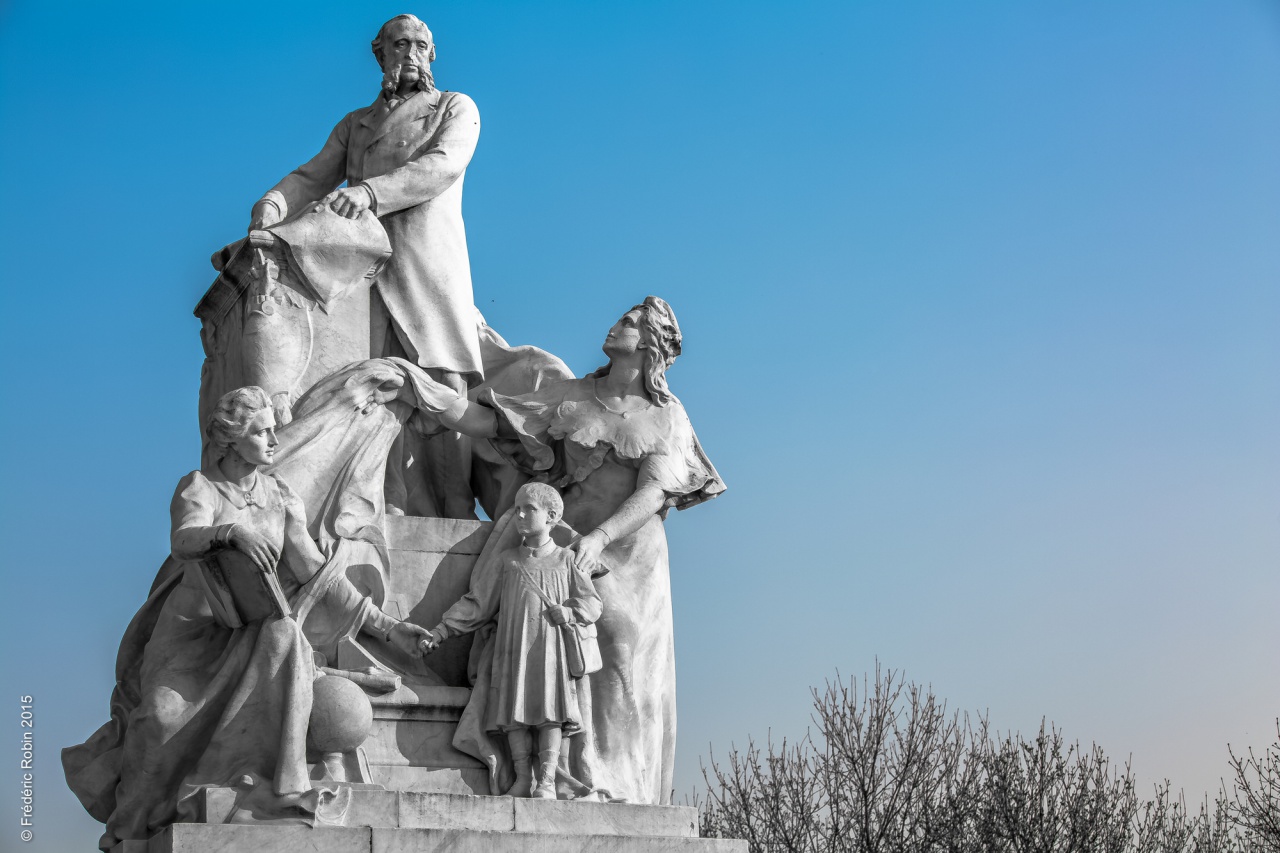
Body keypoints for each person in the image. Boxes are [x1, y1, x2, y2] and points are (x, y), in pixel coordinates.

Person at [62, 387, 430, 850]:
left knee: (286, 634)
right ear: (232, 440)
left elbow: (316, 572)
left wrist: (389, 628)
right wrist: (229, 532)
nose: (275, 440)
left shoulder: (279, 496)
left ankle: (278, 782)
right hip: (193, 631)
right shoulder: (200, 487)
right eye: (262, 431)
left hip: (250, 628)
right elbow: (184, 539)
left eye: (274, 430)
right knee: (157, 718)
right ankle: (128, 828)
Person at [406, 296, 726, 804]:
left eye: (628, 322)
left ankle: (616, 782)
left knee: (618, 650)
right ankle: (555, 774)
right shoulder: (573, 395)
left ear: (648, 343)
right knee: (549, 645)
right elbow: (492, 424)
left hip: (628, 549)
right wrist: (420, 390)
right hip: (562, 543)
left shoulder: (667, 416)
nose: (614, 325)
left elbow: (654, 491)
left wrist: (600, 538)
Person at [250, 13, 481, 518]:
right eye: (400, 44)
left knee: (443, 381)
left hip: (426, 257)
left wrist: (369, 192)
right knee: (371, 386)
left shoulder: (453, 107)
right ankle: (385, 498)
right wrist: (272, 205)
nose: (411, 54)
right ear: (381, 55)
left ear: (432, 53)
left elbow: (440, 166)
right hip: (363, 265)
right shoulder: (356, 124)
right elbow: (311, 176)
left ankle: (458, 508)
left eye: (421, 44)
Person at [420, 482, 602, 799]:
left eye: (528, 508)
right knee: (514, 716)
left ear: (552, 516)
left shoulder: (565, 560)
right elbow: (478, 603)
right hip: (513, 649)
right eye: (517, 508)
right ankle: (521, 779)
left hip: (551, 651)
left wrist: (570, 613)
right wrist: (442, 630)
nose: (519, 515)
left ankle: (545, 781)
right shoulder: (507, 561)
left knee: (551, 715)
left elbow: (592, 603)